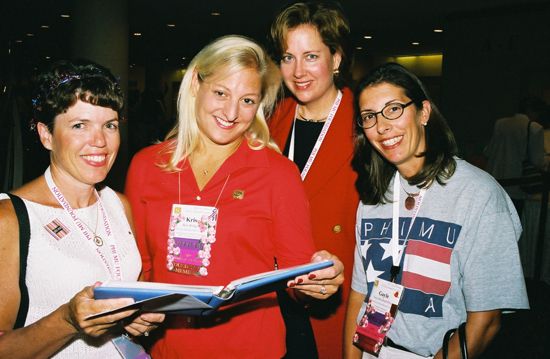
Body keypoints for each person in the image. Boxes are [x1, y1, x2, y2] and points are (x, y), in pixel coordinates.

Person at [125, 35, 345, 359]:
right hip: (166, 351)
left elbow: (298, 280)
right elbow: (140, 270)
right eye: (220, 93)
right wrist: (134, 311)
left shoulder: (277, 174)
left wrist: (319, 282)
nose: (231, 112)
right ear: (196, 84)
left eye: (247, 100)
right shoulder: (147, 166)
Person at [344, 63, 529, 359]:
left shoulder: (478, 194)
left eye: (393, 109)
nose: (381, 126)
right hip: (371, 348)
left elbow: (485, 321)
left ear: (424, 112)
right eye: (369, 116)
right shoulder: (372, 196)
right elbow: (359, 295)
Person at [0, 60, 164, 358]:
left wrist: (136, 317)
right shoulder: (10, 218)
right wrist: (67, 320)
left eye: (109, 125)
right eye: (79, 125)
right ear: (45, 135)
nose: (100, 141)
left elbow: (127, 289)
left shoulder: (118, 204)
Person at [269, 2, 358, 358]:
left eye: (311, 56)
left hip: (333, 291)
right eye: (288, 57)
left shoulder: (365, 127)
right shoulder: (269, 120)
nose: (298, 71)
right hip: (270, 293)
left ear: (336, 59)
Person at [484, 96, 549, 216]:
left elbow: (489, 151)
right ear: (533, 111)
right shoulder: (534, 128)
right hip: (517, 183)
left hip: (496, 178)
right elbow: (537, 161)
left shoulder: (500, 123)